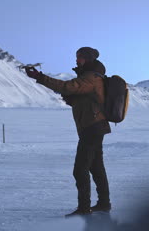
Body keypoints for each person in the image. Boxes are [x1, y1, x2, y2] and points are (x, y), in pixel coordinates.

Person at [25, 47, 112, 217]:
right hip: (94, 126)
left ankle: (84, 208)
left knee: (80, 169)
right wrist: (70, 98)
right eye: (77, 57)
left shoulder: (91, 77)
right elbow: (77, 97)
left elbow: (67, 86)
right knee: (96, 167)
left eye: (79, 57)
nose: (77, 60)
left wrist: (40, 77)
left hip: (92, 127)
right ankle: (103, 204)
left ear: (87, 59)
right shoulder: (89, 77)